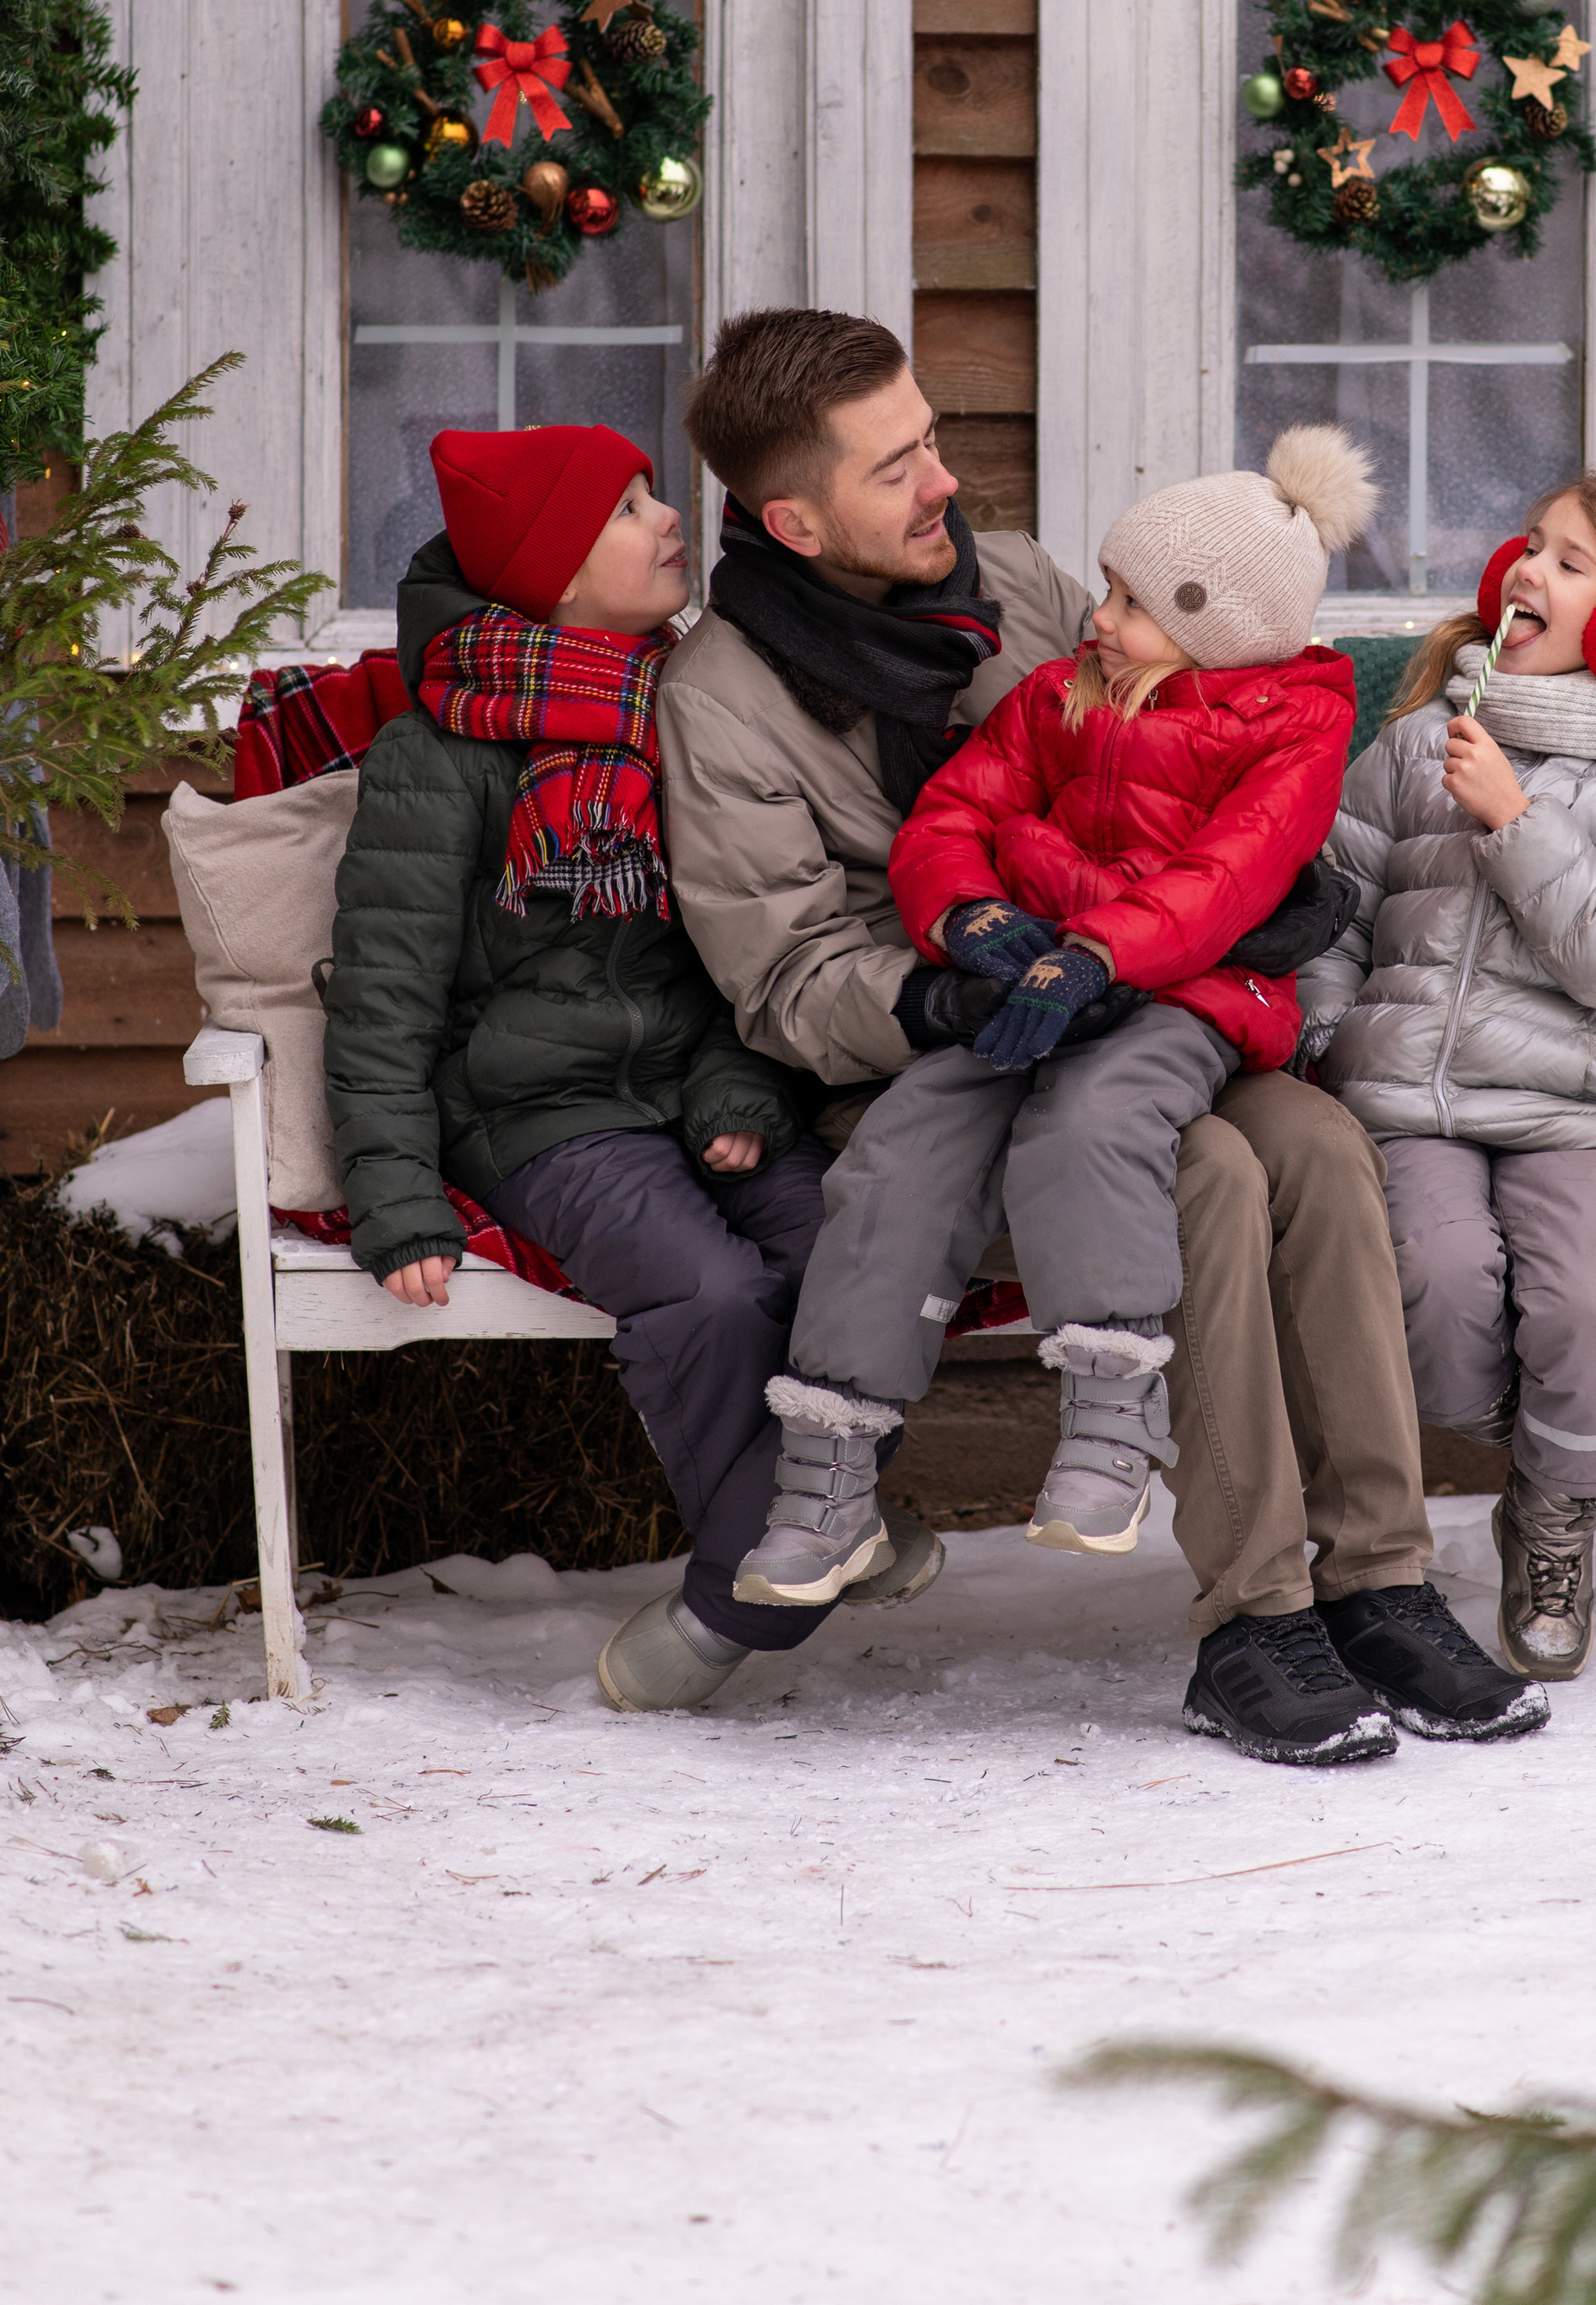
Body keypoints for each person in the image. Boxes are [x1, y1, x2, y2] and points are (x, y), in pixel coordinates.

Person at [656, 307, 1545, 1765]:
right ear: (796, 521)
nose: (944, 481)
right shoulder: (726, 702)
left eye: (933, 437)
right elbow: (784, 979)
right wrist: (952, 991)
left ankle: (1377, 1577)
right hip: (937, 1073)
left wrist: (1259, 899)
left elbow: (1179, 747)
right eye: (899, 469)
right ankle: (1254, 1615)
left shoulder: (1009, 585)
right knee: (1215, 1180)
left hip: (1136, 1007)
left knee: (1319, 1146)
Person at [321, 423, 935, 1726]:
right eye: (626, 509)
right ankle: (765, 1583)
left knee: (839, 1243)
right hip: (536, 1114)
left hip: (698, 1088)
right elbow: (385, 991)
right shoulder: (442, 757)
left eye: (655, 492)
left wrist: (739, 1088)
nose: (670, 518)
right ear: (546, 576)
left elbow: (736, 944)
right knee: (710, 1291)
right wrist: (391, 1192)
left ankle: (786, 1552)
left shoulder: (690, 709)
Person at [731, 430, 1369, 1606]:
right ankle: (827, 1477)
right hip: (1033, 983)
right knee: (906, 1141)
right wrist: (966, 919)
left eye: (1130, 602)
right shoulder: (1057, 695)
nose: (1098, 616)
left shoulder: (1294, 728)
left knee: (1099, 1118)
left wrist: (1097, 950)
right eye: (1109, 588)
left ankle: (1110, 1434)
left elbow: (1230, 877)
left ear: (1215, 625)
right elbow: (951, 818)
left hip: (1182, 994)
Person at [1299, 473, 1596, 1685]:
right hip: (1408, 1101)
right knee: (1434, 1285)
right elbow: (1333, 917)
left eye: (1572, 562)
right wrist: (1331, 1035)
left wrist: (1516, 821)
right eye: (1532, 548)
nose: (1528, 575)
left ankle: (1552, 1517)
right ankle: (1578, 1448)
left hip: (1579, 1109)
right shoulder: (1412, 746)